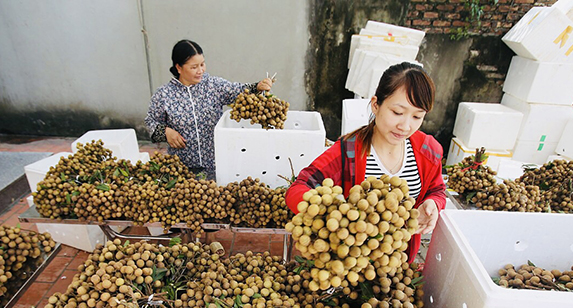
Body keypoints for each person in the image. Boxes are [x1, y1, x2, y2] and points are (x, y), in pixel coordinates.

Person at [285, 62, 446, 263]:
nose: (405, 126)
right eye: (397, 112)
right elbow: (298, 188)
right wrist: (330, 216)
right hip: (349, 265)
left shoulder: (428, 150)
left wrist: (433, 204)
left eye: (417, 116)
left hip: (399, 267)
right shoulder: (348, 151)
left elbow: (437, 190)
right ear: (375, 104)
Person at [145, 39, 273, 180]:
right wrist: (166, 132)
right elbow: (151, 121)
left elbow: (238, 91)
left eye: (202, 64)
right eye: (194, 67)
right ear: (179, 68)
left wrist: (258, 86)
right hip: (181, 169)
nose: (200, 70)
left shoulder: (213, 86)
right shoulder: (164, 94)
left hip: (216, 165)